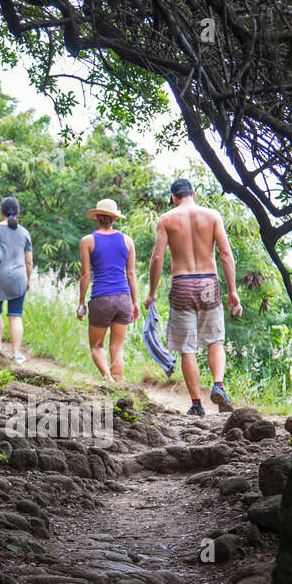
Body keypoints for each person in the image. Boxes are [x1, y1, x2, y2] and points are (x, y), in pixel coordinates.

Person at [144, 178, 243, 415]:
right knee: (215, 340)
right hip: (209, 281)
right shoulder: (212, 216)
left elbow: (157, 258)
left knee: (187, 348)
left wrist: (152, 293)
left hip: (182, 284)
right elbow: (225, 254)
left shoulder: (167, 219)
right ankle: (218, 384)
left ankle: (197, 405)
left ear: (173, 198)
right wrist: (232, 291)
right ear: (194, 194)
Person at [77, 198, 139, 383]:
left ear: (97, 217)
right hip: (123, 298)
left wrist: (81, 302)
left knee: (96, 346)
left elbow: (85, 275)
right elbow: (131, 274)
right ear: (114, 218)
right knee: (117, 348)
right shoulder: (127, 240)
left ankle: (108, 379)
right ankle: (118, 387)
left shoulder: (87, 241)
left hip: (101, 299)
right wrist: (134, 302)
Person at [0, 196, 33, 364]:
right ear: (18, 213)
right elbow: (29, 261)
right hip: (18, 278)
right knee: (15, 316)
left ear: (1, 212)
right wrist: (28, 279)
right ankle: (16, 353)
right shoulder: (24, 232)